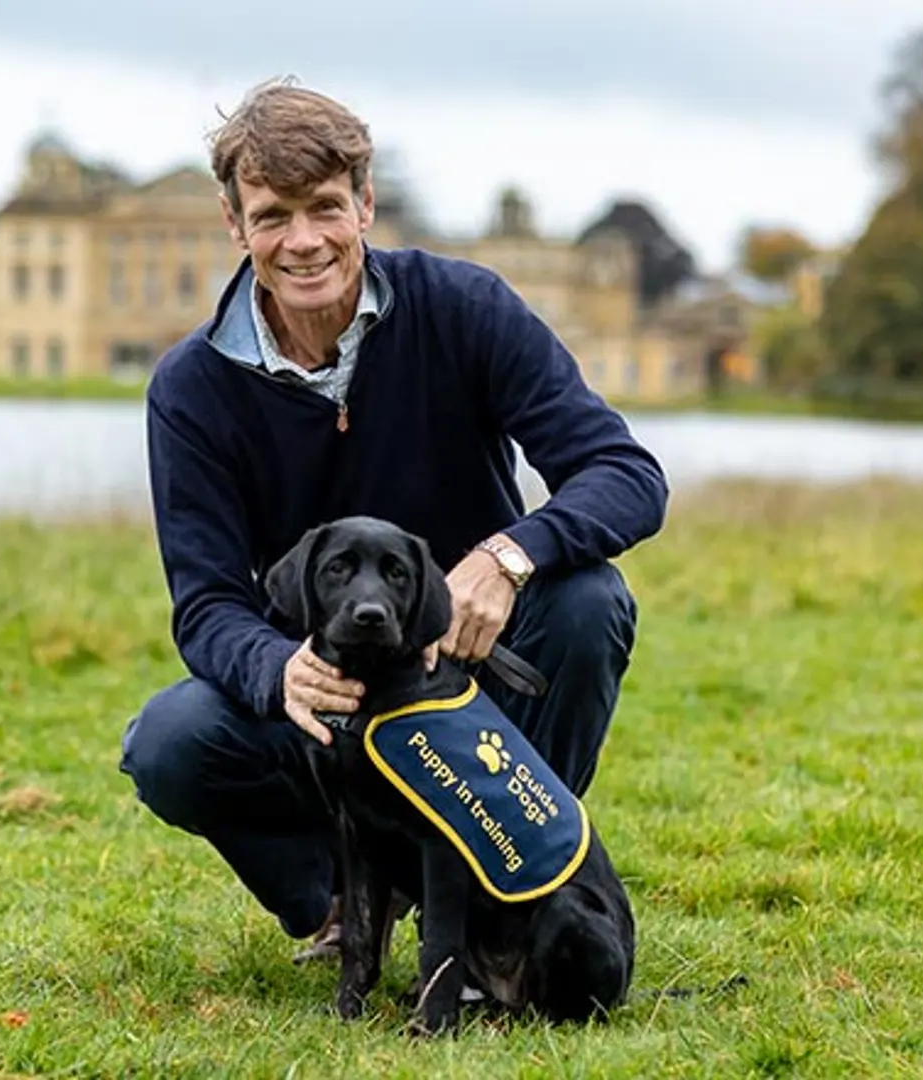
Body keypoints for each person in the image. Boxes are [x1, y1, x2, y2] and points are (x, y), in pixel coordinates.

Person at [118, 77, 669, 960]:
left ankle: (517, 894)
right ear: (235, 226)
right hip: (324, 695)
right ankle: (340, 906)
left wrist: (509, 556)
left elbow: (626, 474)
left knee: (587, 602)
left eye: (325, 208)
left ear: (366, 205)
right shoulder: (191, 389)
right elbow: (207, 604)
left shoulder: (465, 308)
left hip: (468, 673)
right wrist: (279, 670)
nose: (303, 241)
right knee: (170, 741)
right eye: (271, 217)